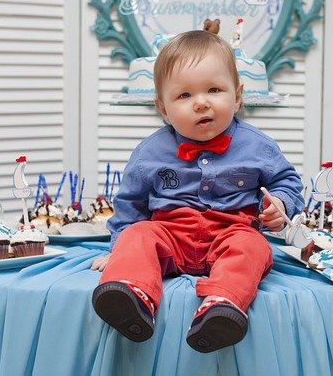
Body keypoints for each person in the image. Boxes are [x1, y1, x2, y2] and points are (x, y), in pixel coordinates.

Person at [91, 30, 304, 353]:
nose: (201, 102)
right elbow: (130, 204)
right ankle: (132, 295)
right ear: (163, 109)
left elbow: (286, 181)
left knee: (254, 247)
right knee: (138, 236)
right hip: (170, 233)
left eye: (214, 90)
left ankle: (222, 305)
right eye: (184, 95)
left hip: (231, 232)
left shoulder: (258, 146)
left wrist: (280, 204)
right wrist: (118, 247)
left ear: (237, 96)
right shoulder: (151, 152)